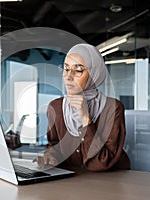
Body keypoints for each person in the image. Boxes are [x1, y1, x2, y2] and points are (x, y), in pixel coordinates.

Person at [34, 43, 130, 171]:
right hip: (72, 183)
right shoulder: (56, 107)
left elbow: (101, 163)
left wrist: (86, 118)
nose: (68, 76)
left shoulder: (113, 108)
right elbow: (55, 146)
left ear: (94, 74)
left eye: (78, 70)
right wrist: (49, 157)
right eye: (66, 69)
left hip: (112, 182)